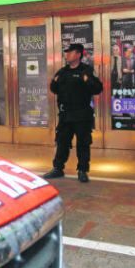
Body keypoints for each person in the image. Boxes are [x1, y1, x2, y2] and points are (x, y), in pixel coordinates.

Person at [43, 44, 103, 183]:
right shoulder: (62, 71)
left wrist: (87, 81)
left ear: (78, 54)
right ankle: (58, 168)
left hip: (82, 114)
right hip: (66, 115)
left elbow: (98, 88)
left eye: (70, 52)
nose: (67, 55)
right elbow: (54, 87)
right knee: (62, 142)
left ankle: (82, 170)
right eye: (66, 52)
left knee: (83, 143)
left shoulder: (86, 71)